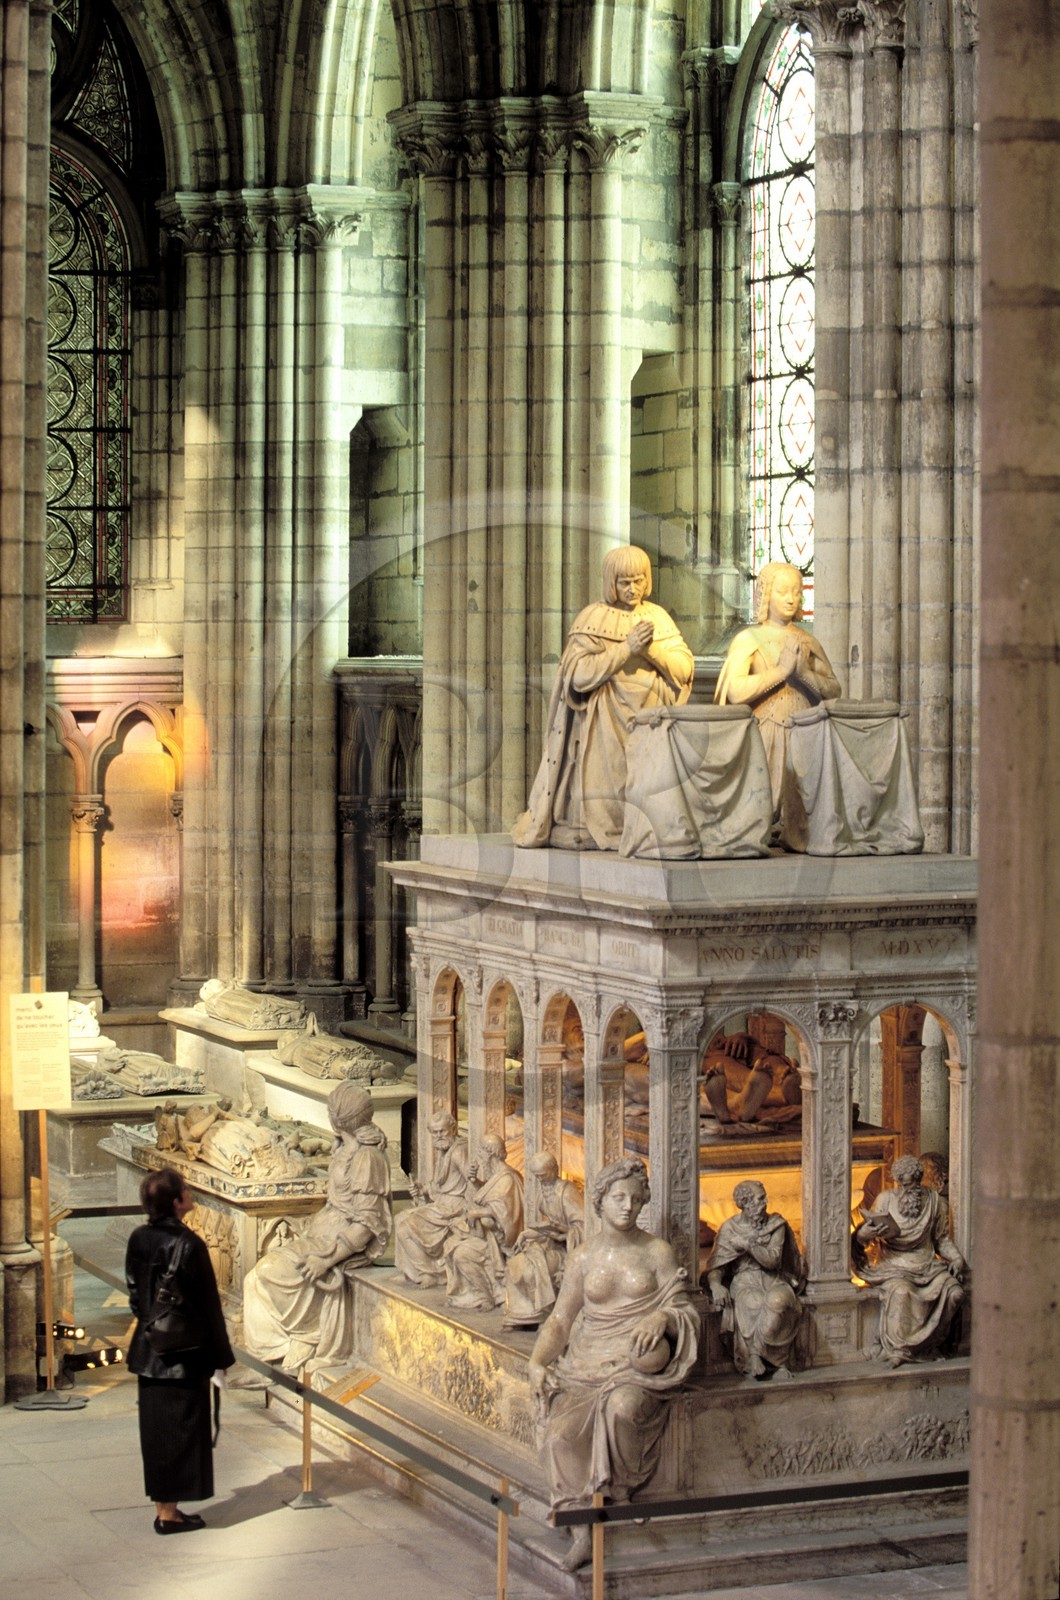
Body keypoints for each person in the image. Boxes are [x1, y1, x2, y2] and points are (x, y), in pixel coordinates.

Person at [528, 1157, 699, 1571]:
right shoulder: (583, 1257)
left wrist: (663, 1317)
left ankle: (620, 1492)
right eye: (618, 1198)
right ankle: (581, 1529)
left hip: (635, 1365)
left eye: (636, 1200)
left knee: (622, 1409)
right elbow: (561, 1320)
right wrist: (537, 1361)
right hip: (586, 1362)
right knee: (560, 1436)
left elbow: (683, 1308)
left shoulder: (657, 1252)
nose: (627, 1206)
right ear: (600, 1201)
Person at [513, 545, 694, 850]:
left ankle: (643, 829)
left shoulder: (658, 618)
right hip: (605, 717)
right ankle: (606, 828)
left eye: (638, 580)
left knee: (647, 782)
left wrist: (650, 650)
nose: (632, 589)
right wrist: (625, 649)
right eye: (625, 582)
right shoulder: (593, 617)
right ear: (611, 582)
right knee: (606, 785)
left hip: (650, 717)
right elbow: (578, 674)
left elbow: (684, 669)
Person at [242, 1082, 392, 1370]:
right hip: (321, 1234)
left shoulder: (367, 1158)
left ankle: (302, 1339)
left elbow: (367, 1223)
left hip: (336, 1244)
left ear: (338, 1119)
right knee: (254, 1280)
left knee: (265, 1275)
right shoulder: (347, 1148)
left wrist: (327, 1260)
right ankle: (271, 1360)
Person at [125, 1167, 235, 1534]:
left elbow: (136, 1296)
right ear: (176, 1202)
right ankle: (168, 1515)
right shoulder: (189, 1245)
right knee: (180, 1434)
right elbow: (208, 1308)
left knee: (157, 1436)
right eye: (185, 1189)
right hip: (183, 1356)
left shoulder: (139, 1237)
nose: (190, 1193)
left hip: (149, 1352)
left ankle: (165, 1508)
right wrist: (221, 1360)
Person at [714, 561, 840, 824]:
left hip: (806, 729)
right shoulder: (749, 640)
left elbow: (833, 689)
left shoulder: (807, 640)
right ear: (765, 594)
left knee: (803, 808)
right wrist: (780, 673)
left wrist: (804, 673)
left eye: (796, 592)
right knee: (764, 803)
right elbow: (735, 691)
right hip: (766, 730)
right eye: (783, 592)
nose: (791, 599)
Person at [853, 1153, 966, 1367]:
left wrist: (957, 1258)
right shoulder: (885, 1200)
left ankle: (931, 1345)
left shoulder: (935, 1203)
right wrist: (863, 1235)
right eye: (904, 1184)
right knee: (902, 1292)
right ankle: (900, 1350)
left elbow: (941, 1240)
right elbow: (864, 1238)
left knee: (955, 1292)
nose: (908, 1189)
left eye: (913, 1183)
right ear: (897, 1182)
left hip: (927, 1265)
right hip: (894, 1265)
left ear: (920, 1178)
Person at [704, 1180, 805, 1379]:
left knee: (778, 1301)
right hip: (745, 1281)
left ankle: (757, 1354)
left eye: (764, 1197)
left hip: (774, 1278)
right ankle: (773, 1364)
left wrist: (749, 1245)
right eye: (760, 1199)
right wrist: (715, 1285)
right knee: (753, 1302)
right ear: (745, 1203)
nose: (766, 1202)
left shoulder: (776, 1225)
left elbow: (772, 1260)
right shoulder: (730, 1228)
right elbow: (717, 1266)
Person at [442, 1133, 525, 1311]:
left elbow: (504, 1213)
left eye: (481, 1151)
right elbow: (490, 1198)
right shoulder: (496, 1176)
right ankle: (474, 1293)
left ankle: (487, 1296)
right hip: (487, 1235)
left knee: (462, 1253)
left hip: (500, 1241)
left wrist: (477, 1213)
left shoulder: (508, 1178)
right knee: (451, 1243)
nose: (479, 1156)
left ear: (490, 1154)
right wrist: (475, 1181)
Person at [503, 1151, 584, 1329]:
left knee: (531, 1271)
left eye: (542, 1175)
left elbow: (582, 1226)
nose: (540, 1180)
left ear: (554, 1170)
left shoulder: (567, 1192)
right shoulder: (543, 1192)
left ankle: (544, 1314)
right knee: (515, 1264)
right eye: (537, 1176)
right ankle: (521, 1315)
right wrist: (527, 1233)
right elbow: (549, 1224)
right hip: (549, 1242)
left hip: (565, 1249)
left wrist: (564, 1234)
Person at [393, 1109, 472, 1287]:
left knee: (406, 1227)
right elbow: (440, 1184)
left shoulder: (458, 1151)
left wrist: (469, 1211)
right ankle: (411, 1271)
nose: (438, 1136)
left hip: (453, 1207)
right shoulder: (445, 1150)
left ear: (452, 1129)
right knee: (399, 1219)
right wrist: (422, 1189)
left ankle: (431, 1273)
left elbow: (472, 1181)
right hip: (443, 1203)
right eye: (434, 1132)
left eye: (442, 1131)